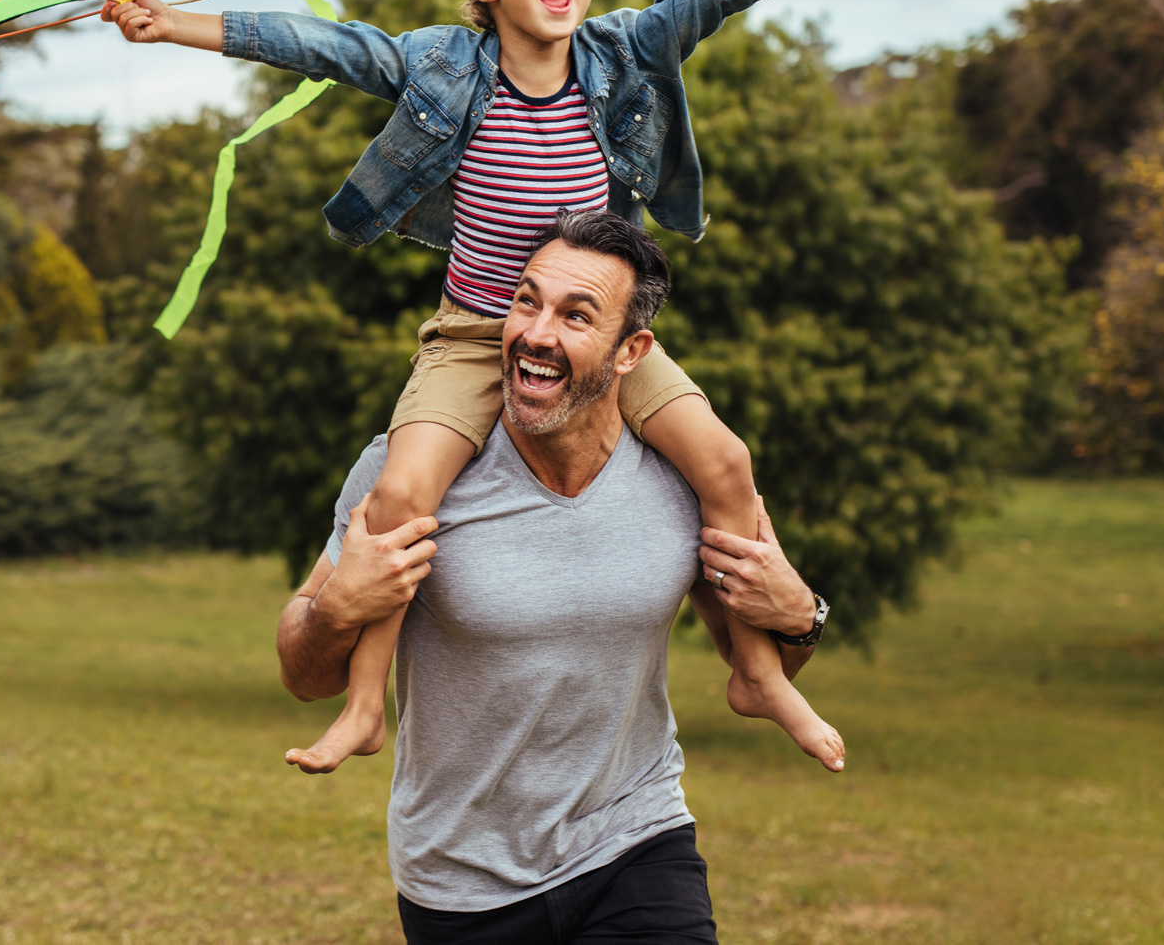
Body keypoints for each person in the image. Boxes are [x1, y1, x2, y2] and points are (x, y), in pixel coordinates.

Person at [103, 0, 900, 772]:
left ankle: (758, 670)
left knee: (725, 460)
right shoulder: (444, 67)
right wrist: (174, 25)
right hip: (476, 330)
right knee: (399, 496)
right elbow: (321, 44)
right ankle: (365, 705)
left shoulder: (627, 52)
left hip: (598, 335)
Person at [276, 210, 827, 942]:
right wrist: (337, 607)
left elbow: (763, 658)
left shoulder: (680, 477)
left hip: (636, 837)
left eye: (576, 315)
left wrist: (800, 613)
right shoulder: (412, 470)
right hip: (463, 880)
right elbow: (304, 671)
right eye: (526, 301)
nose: (536, 334)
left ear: (632, 350)